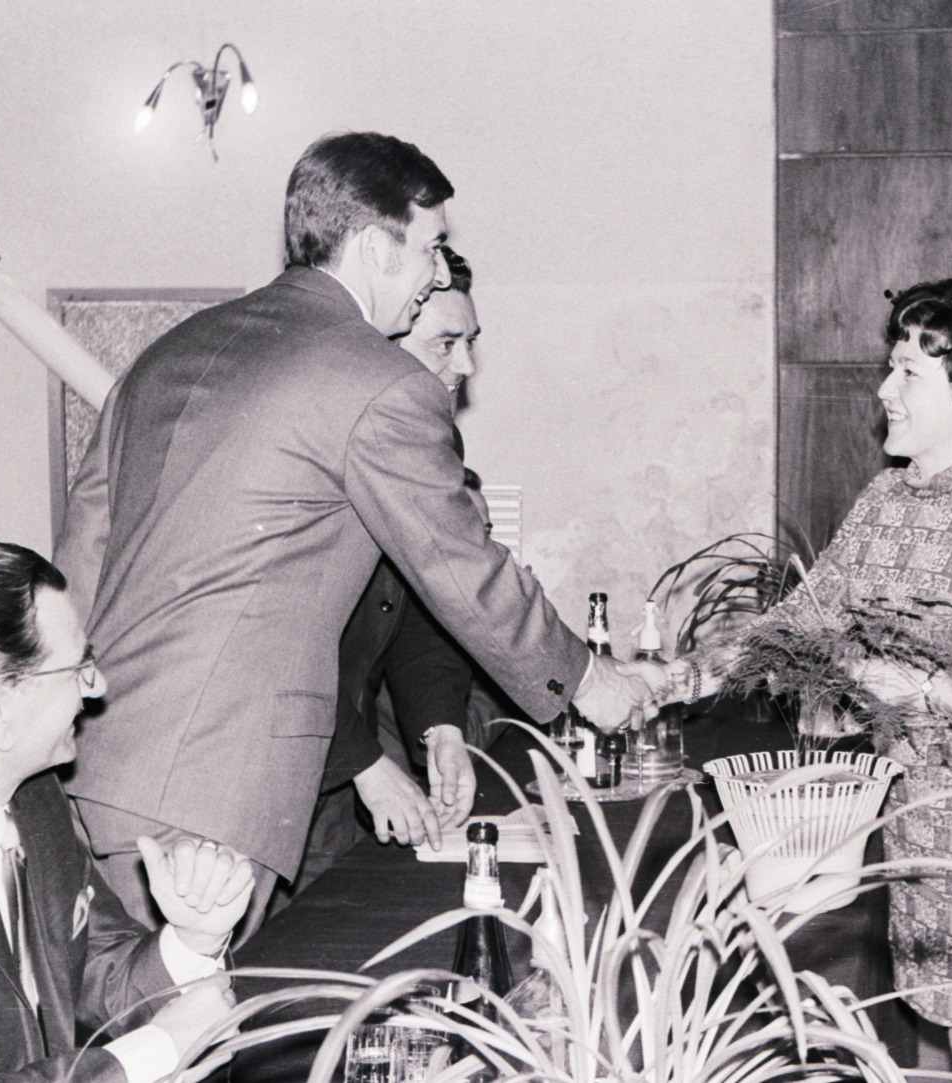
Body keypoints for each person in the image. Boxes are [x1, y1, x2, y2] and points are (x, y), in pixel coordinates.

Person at [53, 131, 655, 938]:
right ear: (375, 246)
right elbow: (460, 565)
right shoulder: (377, 379)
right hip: (213, 784)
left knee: (124, 1033)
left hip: (96, 757)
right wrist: (590, 683)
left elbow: (79, 562)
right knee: (178, 1029)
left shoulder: (169, 352)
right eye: (431, 248)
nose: (437, 274)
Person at [661, 278, 952, 1083]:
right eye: (888, 368)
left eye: (907, 373)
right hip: (920, 816)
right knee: (938, 1029)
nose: (882, 390)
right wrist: (671, 677)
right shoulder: (885, 500)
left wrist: (915, 689)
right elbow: (800, 621)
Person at [0, 541, 254, 1083]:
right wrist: (157, 1049)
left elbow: (102, 980)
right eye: (77, 668)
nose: (96, 687)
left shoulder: (37, 802)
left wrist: (193, 937)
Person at [295, 245, 486, 898]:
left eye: (470, 343)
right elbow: (275, 640)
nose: (464, 367)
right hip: (261, 763)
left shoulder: (429, 445)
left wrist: (441, 729)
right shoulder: (315, 436)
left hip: (335, 764)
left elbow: (421, 609)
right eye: (445, 343)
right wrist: (369, 763)